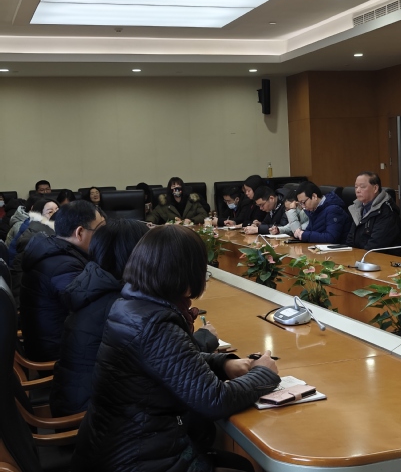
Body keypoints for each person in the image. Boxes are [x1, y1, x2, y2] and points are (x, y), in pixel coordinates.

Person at [72, 225, 280, 471]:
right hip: (137, 459)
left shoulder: (131, 304)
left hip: (119, 448)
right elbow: (214, 400)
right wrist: (263, 373)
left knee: (237, 463)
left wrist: (224, 364)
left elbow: (172, 360)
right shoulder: (155, 323)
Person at [50, 219, 150, 416]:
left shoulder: (93, 284)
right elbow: (163, 363)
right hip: (94, 417)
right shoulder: (120, 305)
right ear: (137, 255)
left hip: (78, 401)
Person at [20, 200, 105, 362]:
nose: (104, 236)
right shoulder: (64, 265)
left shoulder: (54, 250)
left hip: (49, 343)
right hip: (58, 355)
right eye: (100, 230)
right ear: (80, 232)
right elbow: (90, 310)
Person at [345, 172, 401, 251]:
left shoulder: (387, 211)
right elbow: (350, 240)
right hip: (361, 255)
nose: (357, 190)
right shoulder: (358, 208)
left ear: (375, 188)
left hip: (382, 257)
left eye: (362, 187)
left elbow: (375, 246)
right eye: (356, 187)